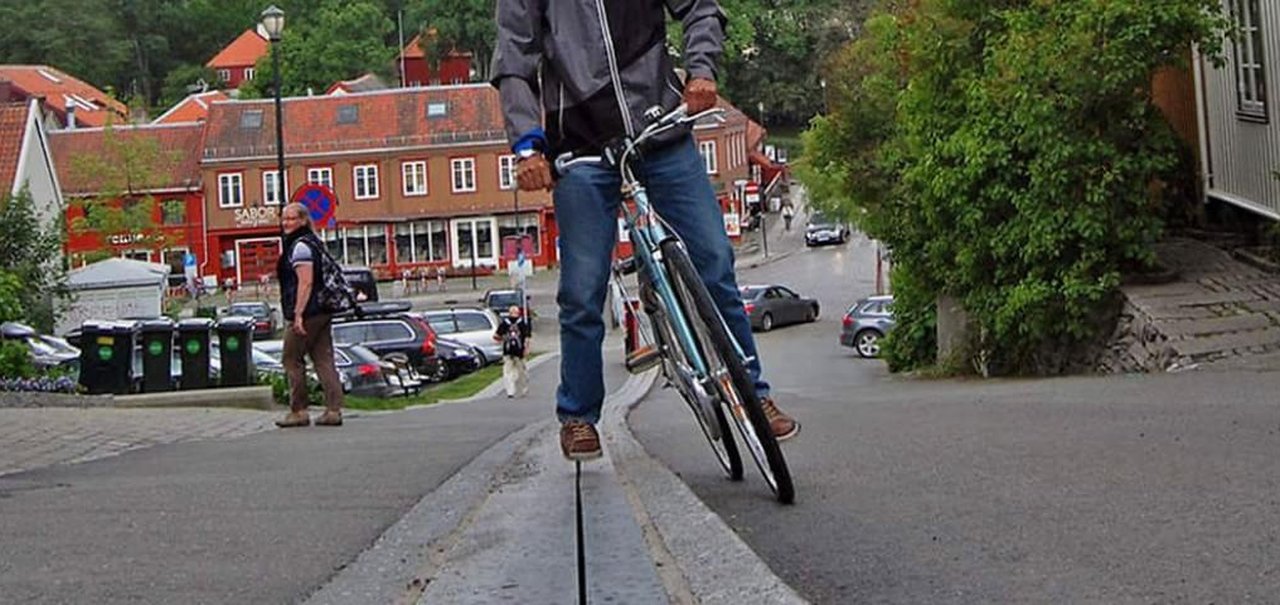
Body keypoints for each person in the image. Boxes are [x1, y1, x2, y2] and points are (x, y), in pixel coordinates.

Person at [492, 0, 799, 461]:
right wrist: (527, 147)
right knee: (582, 289)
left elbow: (701, 9)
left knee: (714, 259)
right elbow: (514, 60)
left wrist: (701, 71)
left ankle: (752, 391)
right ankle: (578, 415)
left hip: (659, 129)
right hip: (581, 147)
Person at [274, 202, 345, 428]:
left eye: (292, 218)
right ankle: (333, 410)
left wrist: (298, 315)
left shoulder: (300, 247)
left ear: (303, 220)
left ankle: (299, 410)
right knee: (324, 359)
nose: (286, 223)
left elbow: (305, 282)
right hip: (324, 310)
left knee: (291, 359)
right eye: (284, 218)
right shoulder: (315, 242)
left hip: (308, 311)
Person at [494, 305, 532, 398]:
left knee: (508, 372)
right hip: (520, 352)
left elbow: (496, 336)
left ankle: (510, 391)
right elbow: (527, 337)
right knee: (522, 372)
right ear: (518, 313)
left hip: (508, 352)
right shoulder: (522, 323)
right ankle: (523, 390)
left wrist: (503, 339)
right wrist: (526, 349)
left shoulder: (504, 323)